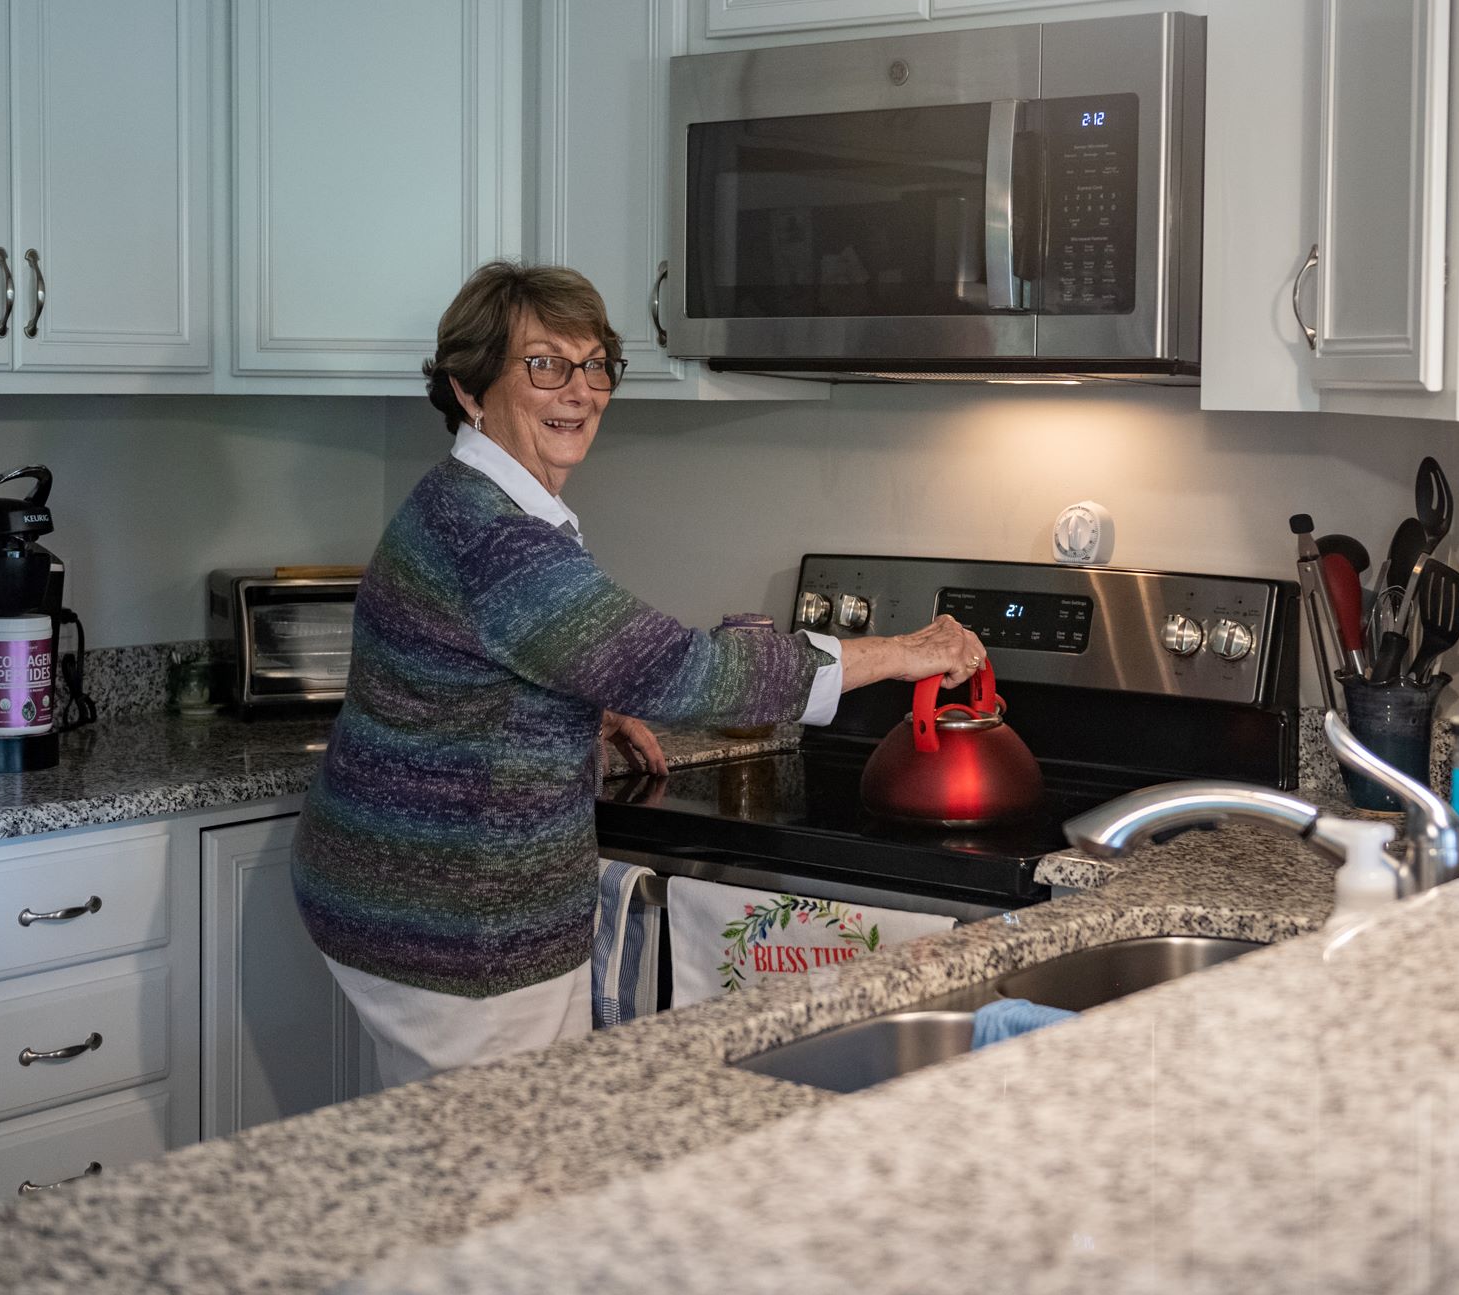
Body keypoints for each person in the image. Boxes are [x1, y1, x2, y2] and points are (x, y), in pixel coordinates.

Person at [291, 263, 985, 1086]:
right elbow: (682, 670)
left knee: (462, 1171)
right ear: (470, 388)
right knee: (496, 1188)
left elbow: (495, 669)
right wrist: (899, 653)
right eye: (545, 365)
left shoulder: (470, 501)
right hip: (458, 929)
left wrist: (579, 705)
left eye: (595, 365)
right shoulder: (496, 537)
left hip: (402, 896)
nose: (579, 391)